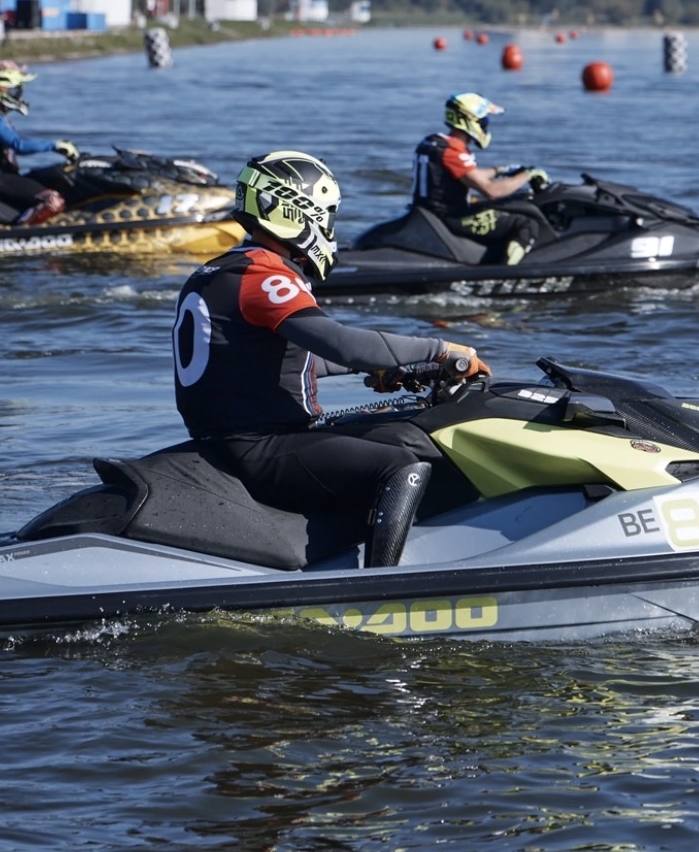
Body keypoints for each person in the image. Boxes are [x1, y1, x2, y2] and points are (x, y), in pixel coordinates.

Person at [171, 149, 489, 567]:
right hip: (261, 446)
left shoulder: (220, 271)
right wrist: (441, 349)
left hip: (234, 440)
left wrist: (390, 365)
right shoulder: (264, 276)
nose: (328, 226)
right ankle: (381, 586)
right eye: (326, 215)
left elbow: (280, 362)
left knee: (393, 430)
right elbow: (341, 344)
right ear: (295, 212)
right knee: (399, 464)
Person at [412, 92, 548, 265]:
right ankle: (503, 278)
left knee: (508, 204)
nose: (485, 127)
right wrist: (528, 174)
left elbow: (468, 175)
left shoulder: (434, 142)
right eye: (484, 122)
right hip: (451, 217)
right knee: (526, 224)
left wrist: (501, 170)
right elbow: (491, 191)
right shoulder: (452, 152)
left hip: (433, 212)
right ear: (470, 121)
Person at [0, 61, 78, 225]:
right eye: (16, 91)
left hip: (7, 176)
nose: (20, 96)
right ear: (1, 90)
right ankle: (20, 235)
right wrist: (55, 145)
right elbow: (18, 145)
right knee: (52, 200)